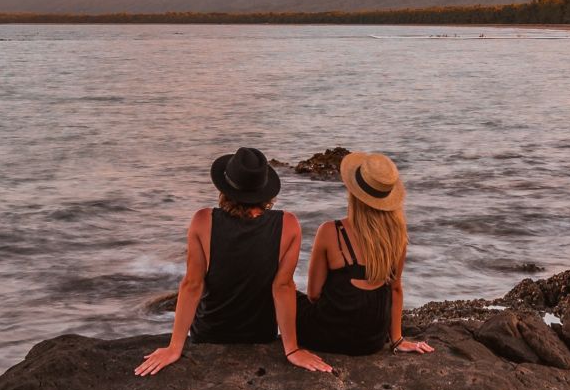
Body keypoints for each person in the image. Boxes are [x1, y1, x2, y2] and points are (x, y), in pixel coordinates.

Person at [137, 146, 327, 377]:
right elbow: (283, 287)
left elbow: (192, 285)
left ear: (225, 187)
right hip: (260, 333)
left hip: (210, 334)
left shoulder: (202, 221)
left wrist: (174, 347)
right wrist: (292, 349)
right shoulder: (289, 224)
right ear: (265, 190)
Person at [296, 151, 433, 358]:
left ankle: (282, 345)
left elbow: (314, 295)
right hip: (371, 341)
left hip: (327, 336)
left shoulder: (330, 231)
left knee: (283, 288)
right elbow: (395, 290)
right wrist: (397, 339)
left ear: (353, 192)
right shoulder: (397, 236)